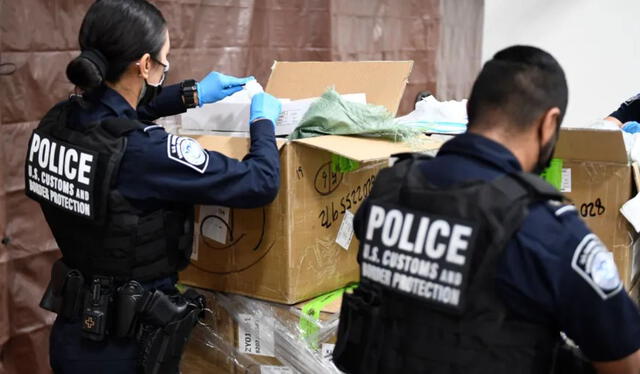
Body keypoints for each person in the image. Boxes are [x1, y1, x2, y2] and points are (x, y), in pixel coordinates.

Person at [333, 45, 640, 374]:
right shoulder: (544, 227)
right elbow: (625, 363)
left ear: (473, 109)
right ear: (549, 123)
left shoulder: (390, 189)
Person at [23, 0, 282, 373]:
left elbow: (116, 117)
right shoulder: (145, 152)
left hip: (72, 333)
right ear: (145, 65)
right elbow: (260, 183)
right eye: (164, 62)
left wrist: (188, 93)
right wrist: (262, 123)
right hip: (129, 347)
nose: (164, 69)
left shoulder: (59, 121)